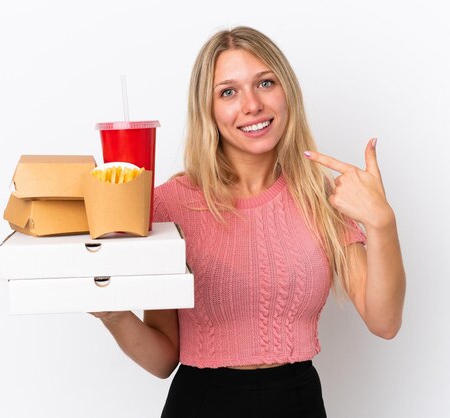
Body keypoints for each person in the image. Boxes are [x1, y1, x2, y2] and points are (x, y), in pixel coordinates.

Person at [93, 26, 406, 417]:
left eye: (265, 83)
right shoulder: (168, 205)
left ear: (286, 91)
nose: (252, 104)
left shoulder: (322, 197)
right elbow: (162, 360)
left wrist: (382, 224)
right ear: (208, 109)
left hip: (299, 402)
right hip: (202, 402)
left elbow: (385, 322)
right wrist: (113, 314)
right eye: (228, 91)